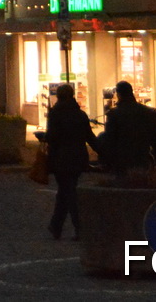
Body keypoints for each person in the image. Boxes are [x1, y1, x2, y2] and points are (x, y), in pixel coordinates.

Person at [43, 83, 96, 240]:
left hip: (60, 159)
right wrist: (104, 152)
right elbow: (90, 137)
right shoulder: (80, 115)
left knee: (68, 193)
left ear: (58, 97)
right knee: (66, 191)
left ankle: (77, 227)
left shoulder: (55, 114)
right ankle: (56, 226)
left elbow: (52, 137)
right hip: (78, 159)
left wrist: (44, 138)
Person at [94, 81, 156, 177]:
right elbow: (155, 137)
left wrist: (106, 159)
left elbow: (109, 138)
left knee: (102, 137)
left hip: (121, 159)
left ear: (118, 94)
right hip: (141, 156)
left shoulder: (114, 114)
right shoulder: (146, 112)